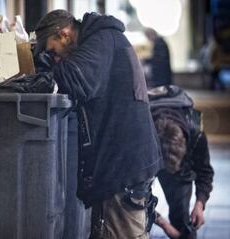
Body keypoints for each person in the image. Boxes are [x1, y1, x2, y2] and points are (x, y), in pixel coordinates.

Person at [34, 10, 162, 239]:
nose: (55, 58)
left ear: (64, 34)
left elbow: (76, 80)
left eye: (52, 51)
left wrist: (43, 66)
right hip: (123, 162)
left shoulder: (102, 40)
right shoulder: (103, 40)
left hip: (123, 166)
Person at [149, 85, 214, 239]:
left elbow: (204, 171)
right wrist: (164, 224)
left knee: (182, 222)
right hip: (149, 155)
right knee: (135, 212)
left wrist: (200, 203)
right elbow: (131, 192)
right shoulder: (141, 135)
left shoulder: (196, 134)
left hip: (179, 169)